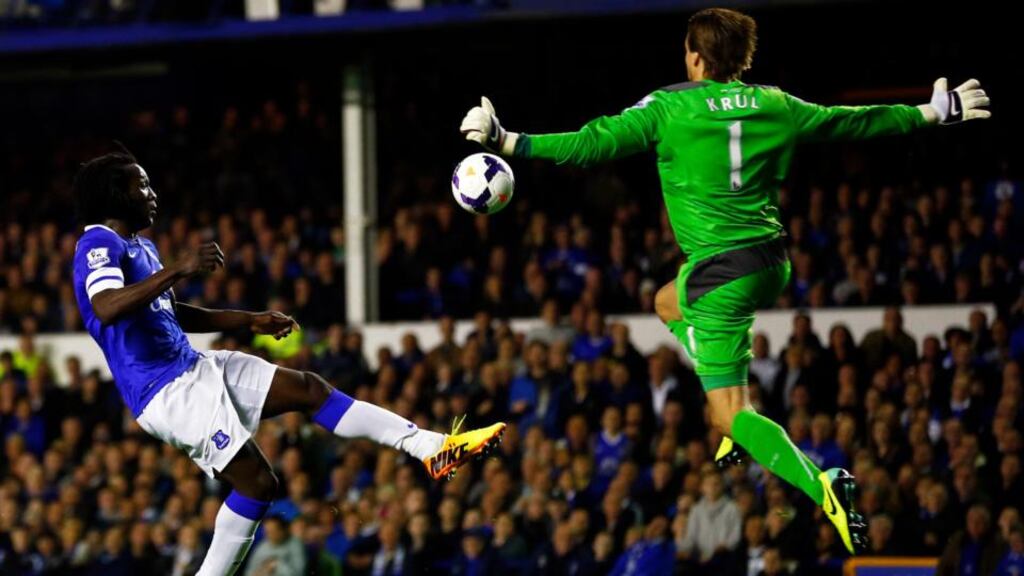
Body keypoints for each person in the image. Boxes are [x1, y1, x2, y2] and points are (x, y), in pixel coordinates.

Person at [460, 6, 990, 554]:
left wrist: (509, 141)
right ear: (743, 58)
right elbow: (851, 121)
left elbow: (590, 144)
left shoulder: (668, 108)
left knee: (733, 413)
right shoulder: (776, 103)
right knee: (666, 302)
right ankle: (730, 425)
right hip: (768, 262)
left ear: (693, 55)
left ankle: (819, 483)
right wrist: (933, 111)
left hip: (719, 277)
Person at [71, 145, 506, 575]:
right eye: (141, 184)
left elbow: (169, 312)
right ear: (116, 194)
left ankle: (433, 449)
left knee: (309, 389)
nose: (152, 192)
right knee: (259, 484)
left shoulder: (139, 248)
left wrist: (248, 320)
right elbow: (107, 305)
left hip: (192, 365)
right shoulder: (97, 243)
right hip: (164, 391)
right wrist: (179, 269)